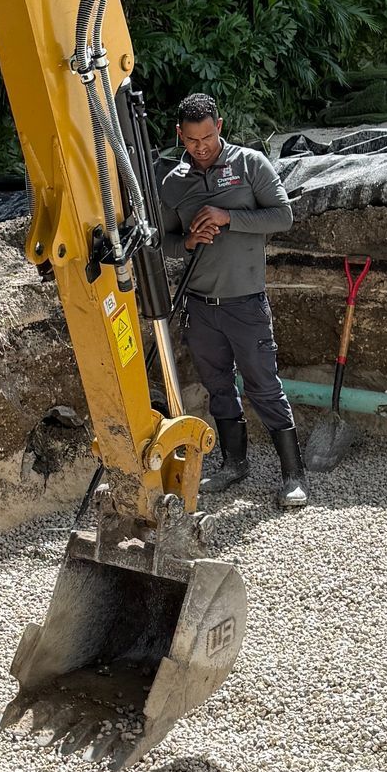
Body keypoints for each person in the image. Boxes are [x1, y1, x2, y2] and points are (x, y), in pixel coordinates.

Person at [159, 93, 307, 510]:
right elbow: (163, 242)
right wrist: (188, 241)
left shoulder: (250, 165)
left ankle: (293, 476)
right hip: (200, 306)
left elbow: (283, 216)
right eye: (192, 140)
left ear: (219, 127)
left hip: (246, 303)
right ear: (180, 136)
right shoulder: (173, 184)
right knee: (219, 387)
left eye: (207, 137)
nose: (201, 147)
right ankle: (233, 465)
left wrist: (229, 218)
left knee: (264, 386)